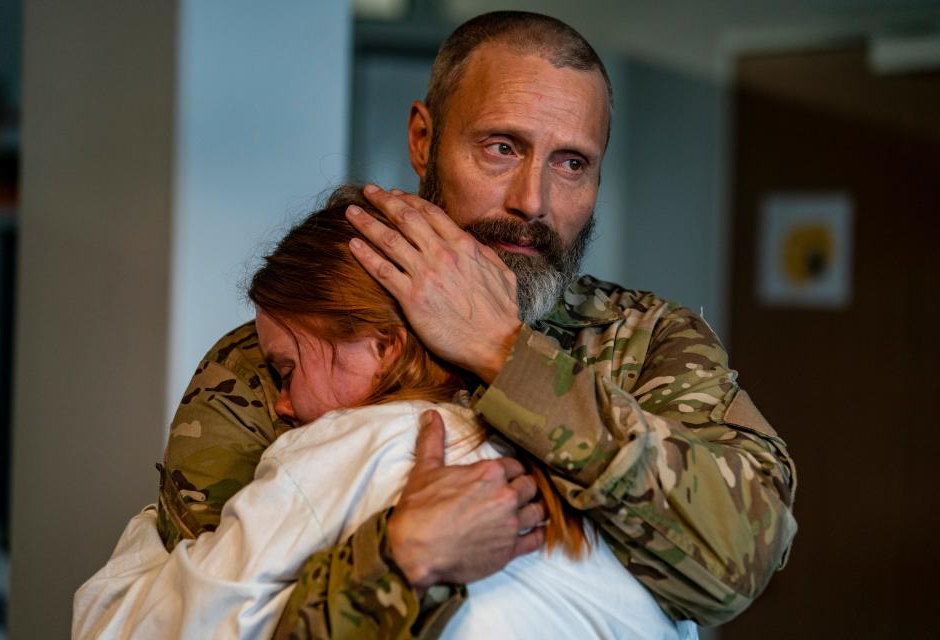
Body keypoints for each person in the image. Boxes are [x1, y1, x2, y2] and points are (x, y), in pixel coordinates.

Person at [153, 10, 797, 638]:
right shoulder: (287, 355)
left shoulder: (648, 342)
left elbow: (734, 568)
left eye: (572, 163)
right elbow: (200, 619)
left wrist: (505, 353)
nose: (532, 200)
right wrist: (400, 558)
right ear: (423, 141)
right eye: (501, 147)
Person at [74, 191, 698, 639]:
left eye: (286, 369)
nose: (281, 405)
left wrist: (142, 548)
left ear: (383, 344)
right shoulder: (559, 458)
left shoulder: (342, 449)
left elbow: (139, 628)